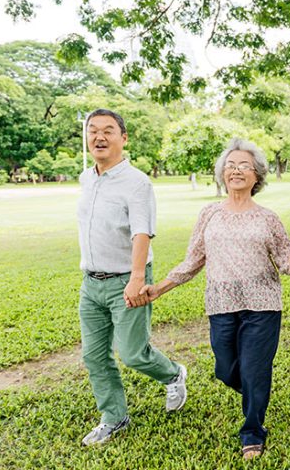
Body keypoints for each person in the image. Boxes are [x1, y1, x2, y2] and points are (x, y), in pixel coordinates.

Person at [132, 138, 290, 461]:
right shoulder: (209, 213)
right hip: (221, 304)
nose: (236, 170)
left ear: (257, 176)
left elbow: (287, 261)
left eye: (244, 166)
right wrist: (159, 288)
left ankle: (252, 431)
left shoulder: (268, 218)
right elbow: (193, 260)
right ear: (222, 175)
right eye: (230, 165)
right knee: (226, 369)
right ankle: (255, 390)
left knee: (255, 370)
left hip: (263, 305)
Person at [77, 108, 187, 446]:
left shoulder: (137, 182)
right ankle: (114, 417)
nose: (99, 137)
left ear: (123, 138)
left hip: (127, 278)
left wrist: (136, 278)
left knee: (133, 353)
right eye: (93, 130)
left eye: (108, 130)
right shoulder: (86, 177)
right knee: (94, 356)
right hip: (90, 283)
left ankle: (173, 373)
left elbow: (142, 232)